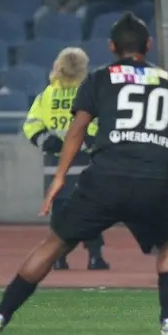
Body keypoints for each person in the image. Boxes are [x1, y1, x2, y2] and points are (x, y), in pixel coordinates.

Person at [0, 12, 168, 335]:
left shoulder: (99, 78)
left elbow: (77, 129)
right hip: (153, 181)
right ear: (149, 45)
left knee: (54, 244)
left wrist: (59, 177)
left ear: (112, 46)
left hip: (105, 179)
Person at [23, 46, 110, 271]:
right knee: (91, 210)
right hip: (86, 160)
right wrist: (92, 139)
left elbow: (31, 124)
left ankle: (59, 257)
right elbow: (101, 122)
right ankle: (94, 256)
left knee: (60, 212)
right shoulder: (90, 91)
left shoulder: (48, 94)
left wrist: (45, 140)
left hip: (56, 162)